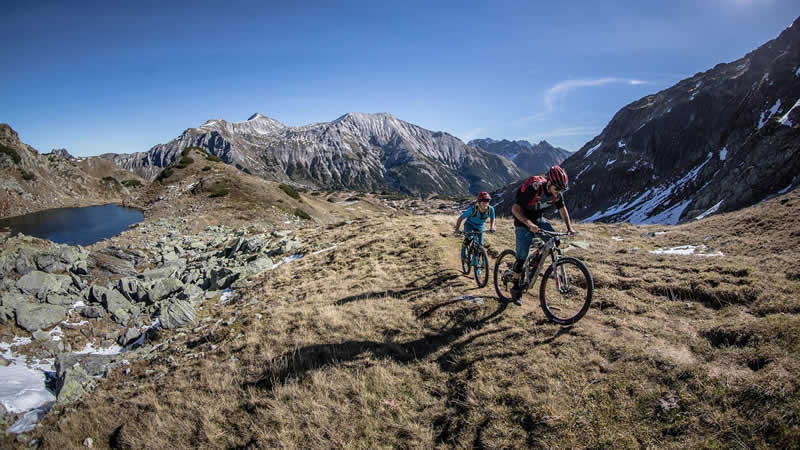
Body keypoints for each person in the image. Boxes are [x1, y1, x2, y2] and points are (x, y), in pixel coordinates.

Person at [509, 165, 576, 305]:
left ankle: (536, 259)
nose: (558, 193)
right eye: (557, 189)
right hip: (523, 221)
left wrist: (570, 228)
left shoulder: (557, 193)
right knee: (521, 258)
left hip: (538, 219)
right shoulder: (534, 188)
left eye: (561, 190)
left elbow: (563, 210)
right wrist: (529, 224)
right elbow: (515, 209)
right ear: (549, 182)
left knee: (554, 241)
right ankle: (515, 288)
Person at [454, 191, 496, 272]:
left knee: (480, 246)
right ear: (479, 202)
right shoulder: (472, 209)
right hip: (469, 224)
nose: (486, 203)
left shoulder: (491, 209)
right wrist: (457, 229)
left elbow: (492, 218)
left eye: (487, 201)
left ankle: (477, 264)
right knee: (469, 237)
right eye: (484, 201)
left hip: (480, 226)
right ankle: (463, 251)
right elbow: (460, 218)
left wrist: (492, 227)